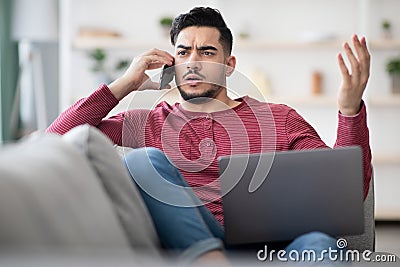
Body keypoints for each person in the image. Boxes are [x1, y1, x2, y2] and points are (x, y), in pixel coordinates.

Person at [47, 6, 372, 264]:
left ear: (229, 64)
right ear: (172, 65)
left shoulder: (279, 118)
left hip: (271, 251)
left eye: (206, 52)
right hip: (193, 248)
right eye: (184, 53)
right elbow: (59, 137)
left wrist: (349, 109)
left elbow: (344, 193)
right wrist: (124, 85)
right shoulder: (150, 122)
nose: (193, 63)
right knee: (145, 159)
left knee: (323, 246)